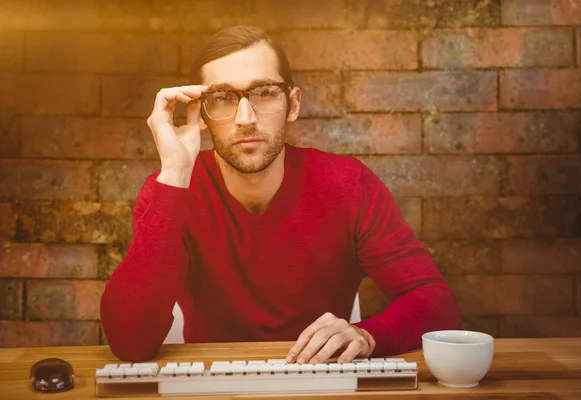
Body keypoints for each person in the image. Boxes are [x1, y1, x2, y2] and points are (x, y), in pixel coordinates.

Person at [100, 25, 461, 363]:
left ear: (294, 103)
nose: (246, 118)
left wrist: (367, 336)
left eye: (265, 93)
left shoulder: (349, 185)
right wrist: (175, 173)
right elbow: (130, 341)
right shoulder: (170, 188)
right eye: (223, 98)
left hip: (322, 384)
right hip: (211, 387)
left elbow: (436, 304)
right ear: (203, 115)